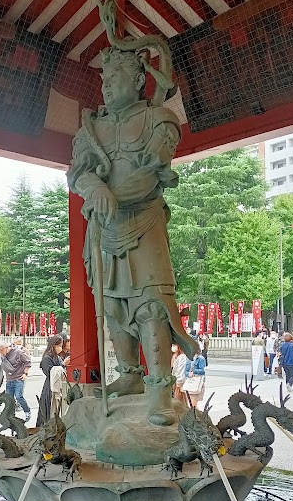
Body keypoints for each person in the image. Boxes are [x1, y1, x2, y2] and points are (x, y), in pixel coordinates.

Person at [67, 41, 199, 427]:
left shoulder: (160, 120)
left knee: (151, 305)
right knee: (110, 304)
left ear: (140, 80)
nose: (106, 84)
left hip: (145, 223)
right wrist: (95, 188)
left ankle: (159, 388)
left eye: (116, 76)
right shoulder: (92, 128)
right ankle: (129, 374)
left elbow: (151, 172)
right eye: (104, 78)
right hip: (104, 228)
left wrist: (111, 194)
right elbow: (78, 172)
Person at [0, 341, 32, 422]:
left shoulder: (18, 353)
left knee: (19, 396)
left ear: (6, 348)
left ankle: (27, 411)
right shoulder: (2, 356)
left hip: (18, 378)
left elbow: (28, 361)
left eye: (1, 351)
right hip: (9, 379)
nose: (0, 353)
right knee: (9, 399)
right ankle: (11, 415)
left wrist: (25, 373)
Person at [36, 335, 65, 427]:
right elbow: (50, 373)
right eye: (59, 346)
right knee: (49, 409)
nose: (60, 348)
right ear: (54, 346)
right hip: (50, 387)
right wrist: (63, 365)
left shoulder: (57, 357)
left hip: (57, 385)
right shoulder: (47, 358)